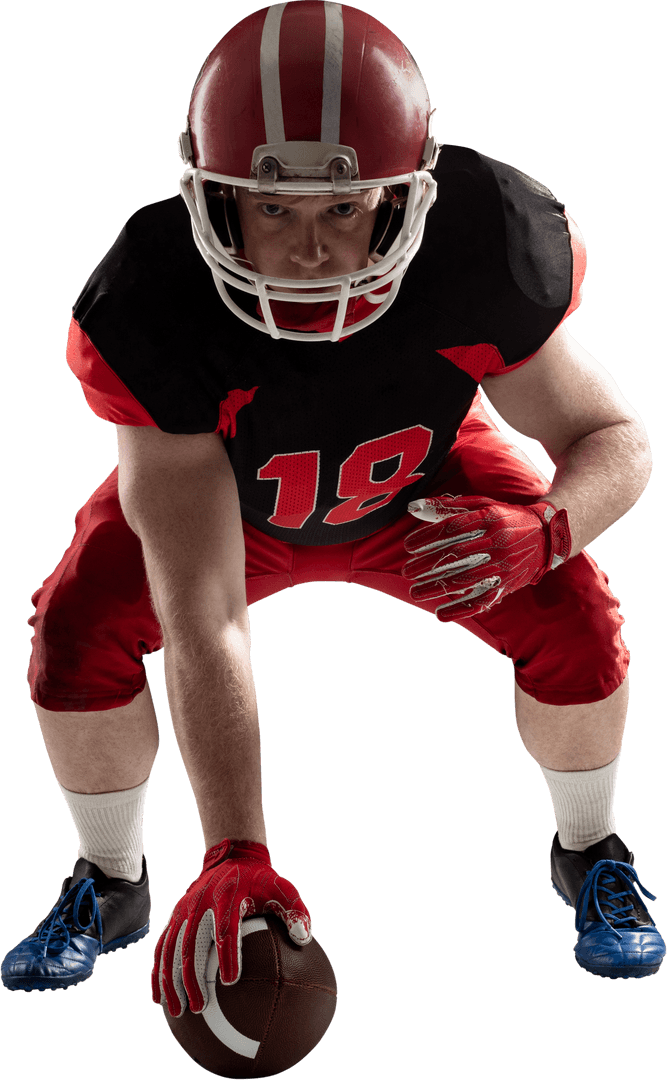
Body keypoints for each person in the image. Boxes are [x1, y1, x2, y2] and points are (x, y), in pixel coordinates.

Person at [2, 1, 664, 1010]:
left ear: (409, 198)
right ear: (212, 199)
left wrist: (546, 531)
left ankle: (589, 850)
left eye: (341, 208)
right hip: (232, 504)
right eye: (274, 209)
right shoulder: (149, 305)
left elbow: (613, 440)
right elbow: (204, 621)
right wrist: (234, 846)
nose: (309, 250)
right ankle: (112, 878)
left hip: (421, 492)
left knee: (575, 618)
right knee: (76, 630)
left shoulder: (478, 244)